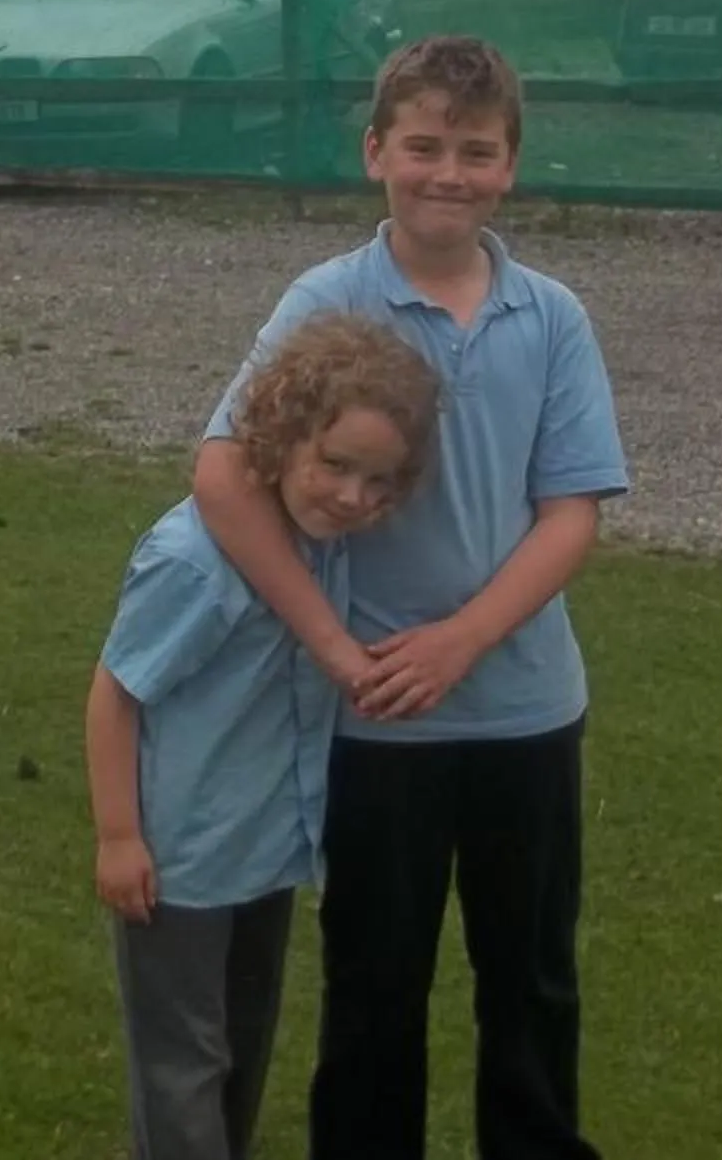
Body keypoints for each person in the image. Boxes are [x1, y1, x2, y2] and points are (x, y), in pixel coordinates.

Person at [191, 34, 629, 1160]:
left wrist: (463, 642)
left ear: (511, 166)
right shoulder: (329, 299)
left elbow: (571, 512)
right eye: (424, 146)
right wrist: (337, 647)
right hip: (372, 717)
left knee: (531, 983)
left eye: (476, 152)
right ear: (375, 150)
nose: (449, 173)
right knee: (374, 987)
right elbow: (223, 476)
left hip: (526, 712)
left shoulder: (553, 318)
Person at [87, 311, 446, 1160]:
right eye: (335, 466)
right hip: (177, 865)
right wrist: (118, 837)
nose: (354, 498)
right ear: (280, 437)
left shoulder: (319, 550)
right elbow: (114, 695)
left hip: (265, 850)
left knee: (241, 1050)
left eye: (379, 481)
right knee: (184, 1065)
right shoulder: (194, 565)